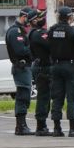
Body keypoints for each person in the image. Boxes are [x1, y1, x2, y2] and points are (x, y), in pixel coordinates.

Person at [47, 6, 74, 137]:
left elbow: (48, 46)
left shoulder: (52, 30)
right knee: (72, 96)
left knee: (57, 97)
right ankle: (73, 129)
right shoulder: (72, 31)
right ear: (69, 17)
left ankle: (57, 128)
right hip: (70, 67)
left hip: (55, 67)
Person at [6, 7, 35, 135]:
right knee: (23, 96)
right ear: (23, 17)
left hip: (24, 68)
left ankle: (22, 125)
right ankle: (21, 126)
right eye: (29, 20)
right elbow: (20, 51)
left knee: (25, 96)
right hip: (21, 67)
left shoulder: (20, 30)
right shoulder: (15, 32)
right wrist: (33, 48)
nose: (29, 24)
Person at [28, 8, 52, 136]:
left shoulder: (37, 33)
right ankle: (41, 126)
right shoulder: (38, 34)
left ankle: (42, 125)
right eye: (40, 17)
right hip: (43, 68)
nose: (43, 19)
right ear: (34, 21)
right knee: (43, 97)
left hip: (43, 67)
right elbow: (52, 45)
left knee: (46, 97)